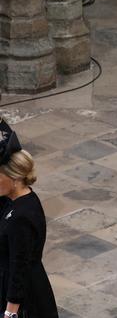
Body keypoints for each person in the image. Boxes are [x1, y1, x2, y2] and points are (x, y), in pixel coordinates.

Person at [0, 119, 58, 318]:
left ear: (14, 177)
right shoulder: (16, 201)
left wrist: (10, 312)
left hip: (25, 298)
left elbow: (19, 265)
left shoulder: (21, 216)